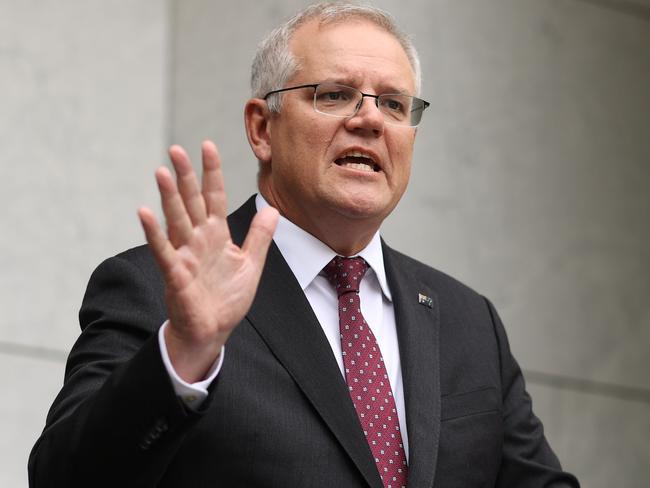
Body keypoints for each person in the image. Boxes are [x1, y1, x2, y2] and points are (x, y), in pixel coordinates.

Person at [29, 3, 580, 487]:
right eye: (335, 94)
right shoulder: (156, 291)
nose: (369, 119)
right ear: (262, 129)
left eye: (393, 104)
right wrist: (184, 355)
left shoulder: (467, 320)